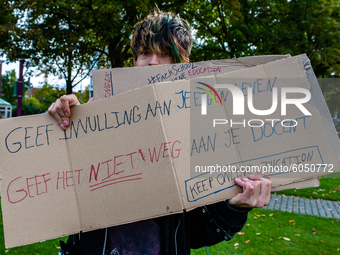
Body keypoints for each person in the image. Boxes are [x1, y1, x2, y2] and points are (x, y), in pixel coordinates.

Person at [49, 10, 272, 255]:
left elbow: (196, 234)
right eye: (145, 53)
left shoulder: (203, 131)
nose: (153, 62)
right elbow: (61, 193)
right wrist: (63, 122)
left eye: (165, 53)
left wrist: (234, 207)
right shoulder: (95, 114)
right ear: (134, 61)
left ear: (183, 65)